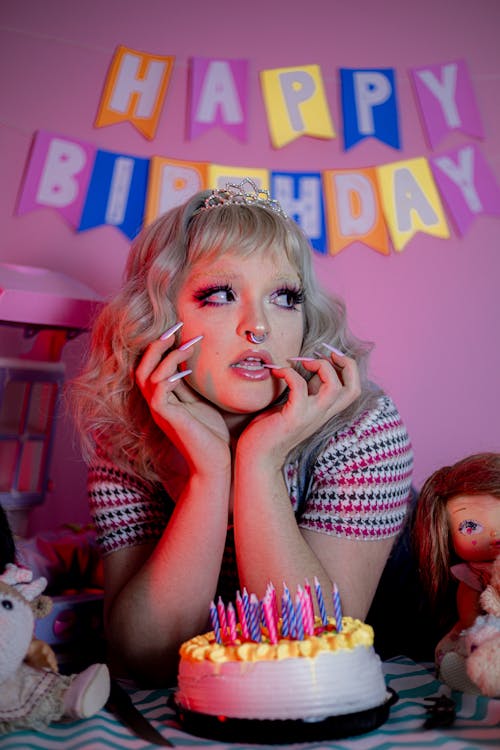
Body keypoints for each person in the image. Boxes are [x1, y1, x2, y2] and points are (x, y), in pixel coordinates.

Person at [71, 178, 414, 685]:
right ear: (158, 316)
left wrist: (258, 460)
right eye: (220, 294)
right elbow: (147, 661)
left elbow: (313, 651)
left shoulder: (362, 427)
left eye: (284, 296)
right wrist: (209, 476)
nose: (259, 326)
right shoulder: (125, 439)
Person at [412, 453, 500, 688]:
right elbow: (468, 612)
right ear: (447, 536)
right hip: (485, 630)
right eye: (470, 527)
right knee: (467, 653)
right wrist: (480, 629)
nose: (494, 534)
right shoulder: (474, 575)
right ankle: (470, 677)